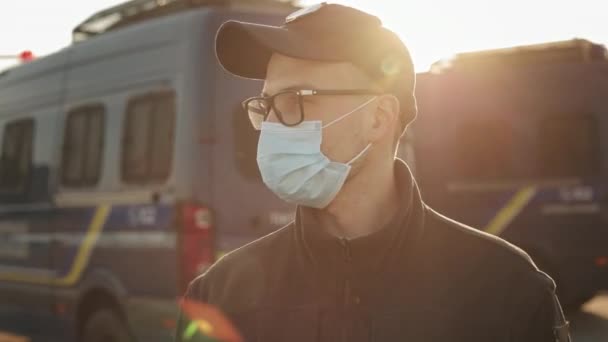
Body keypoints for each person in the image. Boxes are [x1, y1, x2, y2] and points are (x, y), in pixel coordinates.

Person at [177, 3, 571, 341]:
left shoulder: (507, 290)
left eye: (295, 99)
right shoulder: (217, 297)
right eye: (266, 106)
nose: (275, 125)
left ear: (379, 118)